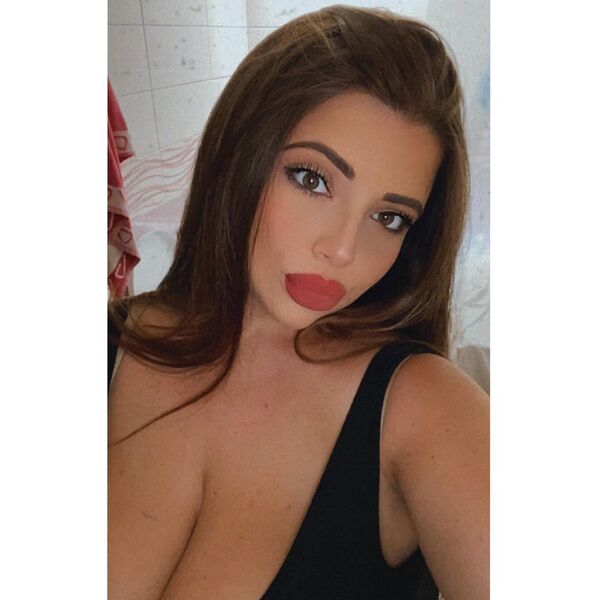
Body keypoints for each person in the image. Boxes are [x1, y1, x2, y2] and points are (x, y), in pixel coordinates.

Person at [108, 5, 489, 599]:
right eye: (313, 180)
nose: (342, 249)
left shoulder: (425, 410)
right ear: (240, 154)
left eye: (389, 217)